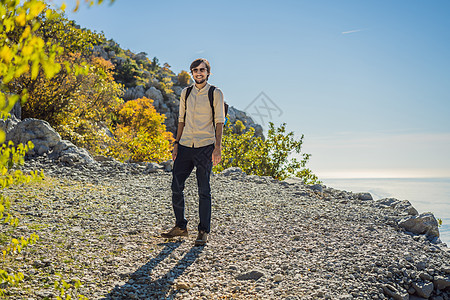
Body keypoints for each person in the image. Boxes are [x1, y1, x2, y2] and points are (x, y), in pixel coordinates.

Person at [161, 58, 225, 246]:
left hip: (206, 146)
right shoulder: (185, 92)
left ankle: (203, 231)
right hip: (185, 145)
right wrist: (176, 143)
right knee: (176, 185)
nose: (199, 73)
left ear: (208, 72)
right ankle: (180, 226)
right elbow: (181, 119)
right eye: (195, 70)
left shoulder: (215, 93)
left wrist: (218, 147)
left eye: (202, 70)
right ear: (192, 73)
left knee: (203, 189)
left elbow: (219, 121)